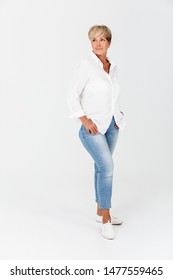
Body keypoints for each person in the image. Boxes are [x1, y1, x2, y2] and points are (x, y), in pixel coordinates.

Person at [67, 25, 125, 240]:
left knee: (101, 167)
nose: (98, 43)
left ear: (109, 42)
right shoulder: (85, 66)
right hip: (92, 127)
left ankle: (100, 211)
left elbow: (111, 96)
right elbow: (72, 95)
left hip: (111, 125)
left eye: (102, 39)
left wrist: (118, 115)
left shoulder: (112, 67)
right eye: (94, 40)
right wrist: (84, 119)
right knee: (107, 166)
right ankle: (107, 219)